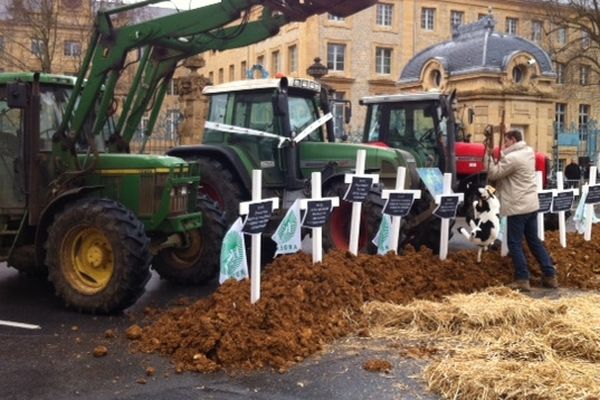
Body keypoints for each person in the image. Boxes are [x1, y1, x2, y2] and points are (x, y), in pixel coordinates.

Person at [485, 129, 557, 291]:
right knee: (534, 241)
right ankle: (550, 275)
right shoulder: (528, 153)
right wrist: (501, 155)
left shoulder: (513, 158)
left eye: (506, 141)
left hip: (517, 206)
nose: (504, 145)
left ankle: (523, 279)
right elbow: (510, 163)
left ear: (513, 140)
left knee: (514, 243)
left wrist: (488, 156)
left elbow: (494, 173)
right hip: (531, 205)